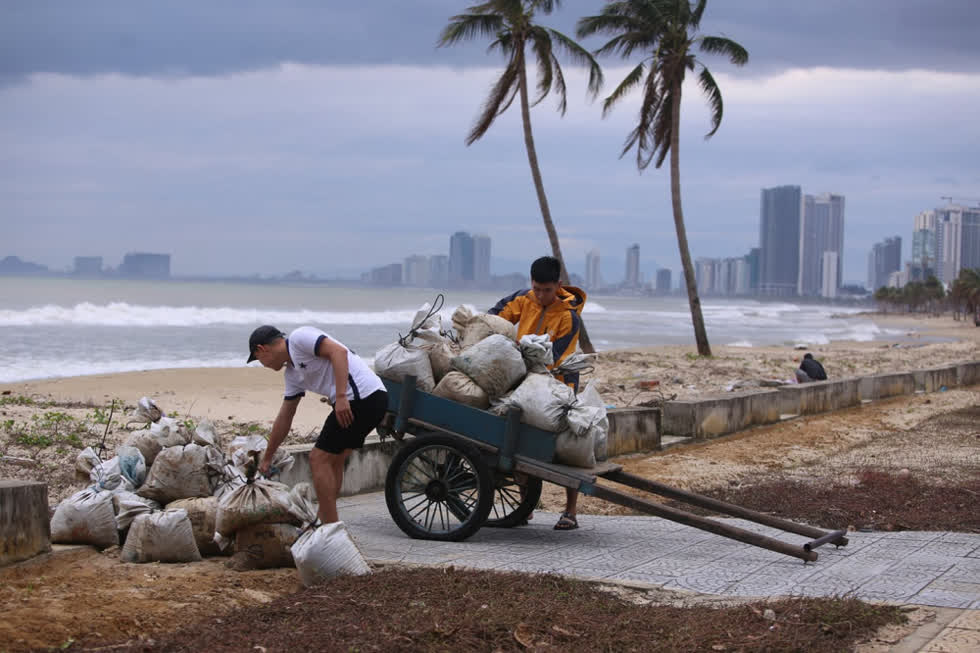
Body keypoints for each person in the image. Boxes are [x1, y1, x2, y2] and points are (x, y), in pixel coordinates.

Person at [247, 325, 388, 524]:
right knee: (334, 459)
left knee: (317, 458)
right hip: (367, 400)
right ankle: (327, 520)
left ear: (262, 349)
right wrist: (267, 458)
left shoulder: (298, 339)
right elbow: (285, 415)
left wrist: (340, 397)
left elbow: (339, 352)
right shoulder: (292, 374)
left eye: (258, 359)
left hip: (362, 398)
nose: (262, 365)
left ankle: (328, 527)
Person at [489, 255, 587, 531]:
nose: (542, 296)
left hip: (559, 383)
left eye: (547, 290)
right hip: (524, 377)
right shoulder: (522, 299)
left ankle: (570, 511)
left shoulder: (569, 317)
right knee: (518, 439)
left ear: (558, 285)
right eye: (537, 289)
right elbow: (494, 318)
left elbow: (556, 358)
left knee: (566, 446)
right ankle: (525, 507)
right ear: (531, 283)